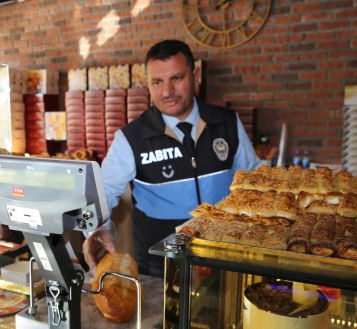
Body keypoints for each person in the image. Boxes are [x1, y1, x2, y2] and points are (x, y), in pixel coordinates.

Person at [83, 39, 261, 277]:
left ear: (195, 76)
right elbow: (101, 191)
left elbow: (253, 183)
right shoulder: (131, 138)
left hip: (224, 257)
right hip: (160, 265)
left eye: (177, 78)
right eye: (157, 82)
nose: (167, 92)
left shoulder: (227, 123)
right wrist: (97, 229)